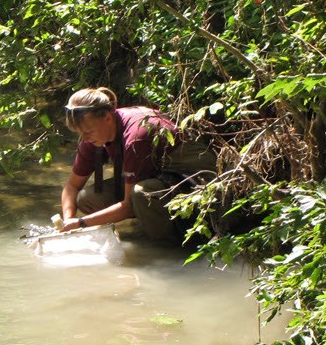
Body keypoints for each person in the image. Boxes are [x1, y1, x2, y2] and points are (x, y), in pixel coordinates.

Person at [59, 87, 217, 243]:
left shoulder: (137, 137)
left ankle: (169, 246)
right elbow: (72, 186)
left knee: (141, 193)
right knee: (87, 198)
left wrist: (81, 223)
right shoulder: (92, 138)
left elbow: (128, 205)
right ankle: (148, 223)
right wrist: (69, 221)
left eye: (88, 132)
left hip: (200, 183)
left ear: (107, 117)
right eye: (80, 133)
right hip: (159, 177)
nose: (84, 139)